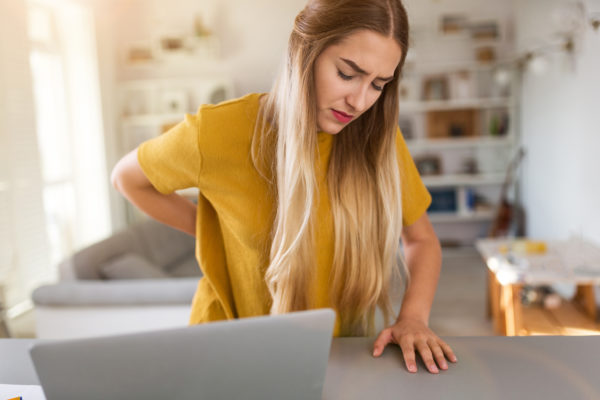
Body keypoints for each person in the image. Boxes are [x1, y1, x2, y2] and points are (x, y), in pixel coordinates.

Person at [111, 0, 457, 374]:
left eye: (377, 84)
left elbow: (422, 240)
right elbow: (128, 179)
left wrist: (414, 318)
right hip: (225, 352)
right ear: (304, 51)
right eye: (347, 73)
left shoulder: (377, 141)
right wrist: (210, 231)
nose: (359, 102)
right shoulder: (217, 132)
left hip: (333, 359)